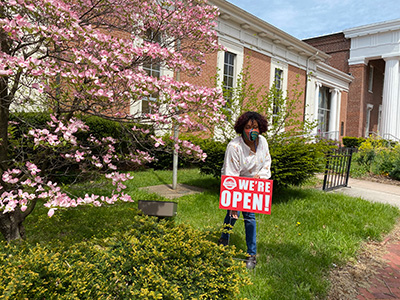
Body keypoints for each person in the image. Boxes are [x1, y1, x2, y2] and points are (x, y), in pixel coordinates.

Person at [218, 111, 271, 269]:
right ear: (242, 128)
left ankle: (251, 254)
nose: (252, 131)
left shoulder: (262, 142)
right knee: (233, 214)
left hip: (255, 182)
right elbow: (231, 175)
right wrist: (234, 202)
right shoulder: (234, 147)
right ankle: (224, 237)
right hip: (235, 181)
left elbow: (267, 161)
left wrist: (260, 177)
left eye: (255, 127)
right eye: (248, 127)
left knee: (250, 217)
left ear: (260, 128)